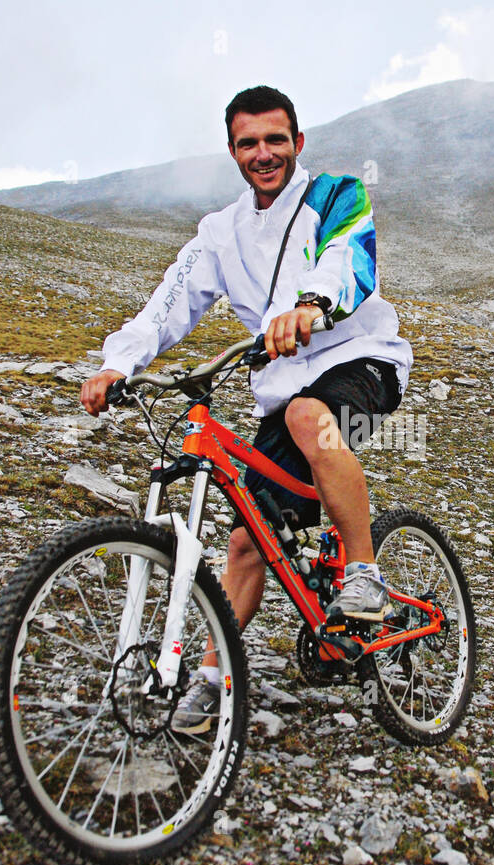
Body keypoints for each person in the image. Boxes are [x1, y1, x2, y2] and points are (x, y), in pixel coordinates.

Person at [80, 85, 412, 735]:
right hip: (288, 382)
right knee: (245, 542)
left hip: (360, 359)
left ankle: (366, 574)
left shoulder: (336, 195)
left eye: (276, 140)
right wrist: (119, 363)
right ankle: (209, 679)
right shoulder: (219, 233)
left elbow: (352, 259)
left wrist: (313, 305)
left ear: (299, 142)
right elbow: (171, 302)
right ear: (232, 150)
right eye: (248, 143)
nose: (264, 154)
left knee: (304, 418)